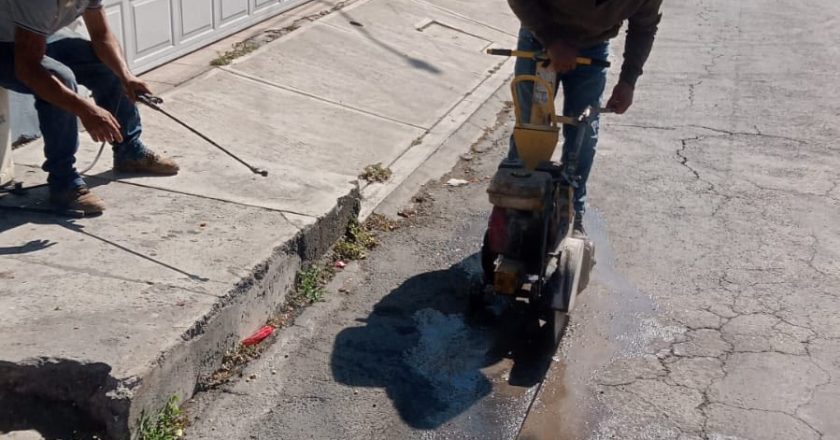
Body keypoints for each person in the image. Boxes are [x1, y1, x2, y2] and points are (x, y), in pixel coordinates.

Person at [0, 0, 180, 215]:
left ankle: (129, 151)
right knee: (60, 82)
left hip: (35, 40)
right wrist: (84, 109)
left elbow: (102, 35)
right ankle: (64, 182)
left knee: (105, 63)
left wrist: (125, 76)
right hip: (6, 47)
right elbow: (28, 68)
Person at [506, 0, 663, 236]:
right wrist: (551, 40)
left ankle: (571, 211)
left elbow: (644, 27)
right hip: (540, 36)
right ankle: (513, 206)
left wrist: (628, 81)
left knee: (583, 132)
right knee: (531, 127)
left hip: (593, 44)